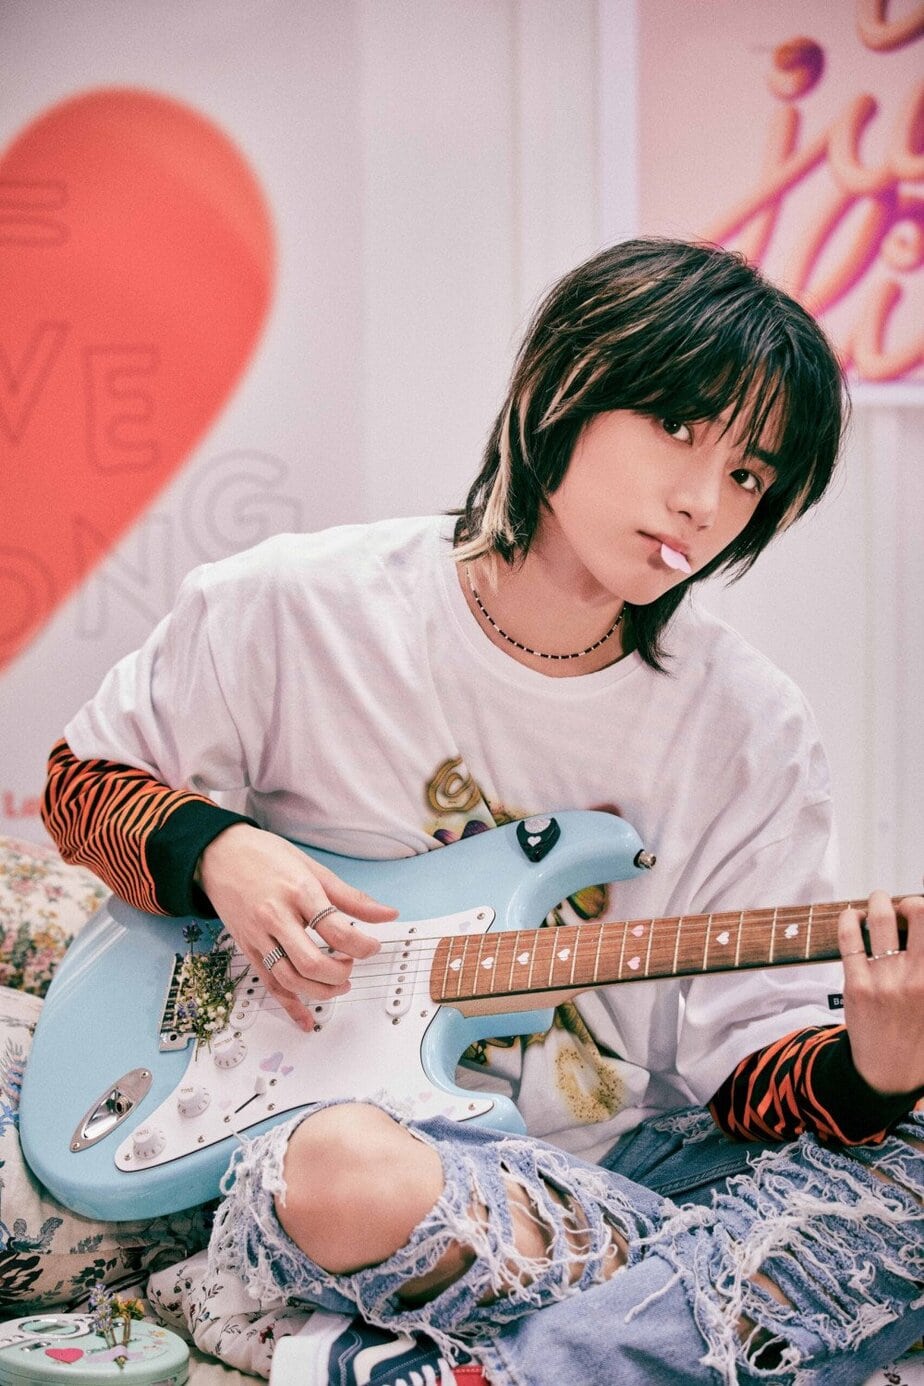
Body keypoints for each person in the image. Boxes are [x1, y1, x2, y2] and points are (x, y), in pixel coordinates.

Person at [43, 239, 923, 1386]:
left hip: (619, 1175)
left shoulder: (750, 727)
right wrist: (225, 852)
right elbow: (81, 784)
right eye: (679, 428)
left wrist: (874, 1071)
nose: (705, 502)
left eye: (751, 476)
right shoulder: (299, 604)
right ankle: (691, 1319)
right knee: (341, 1174)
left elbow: (749, 1069)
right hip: (379, 1156)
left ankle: (495, 1365)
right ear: (567, 384)